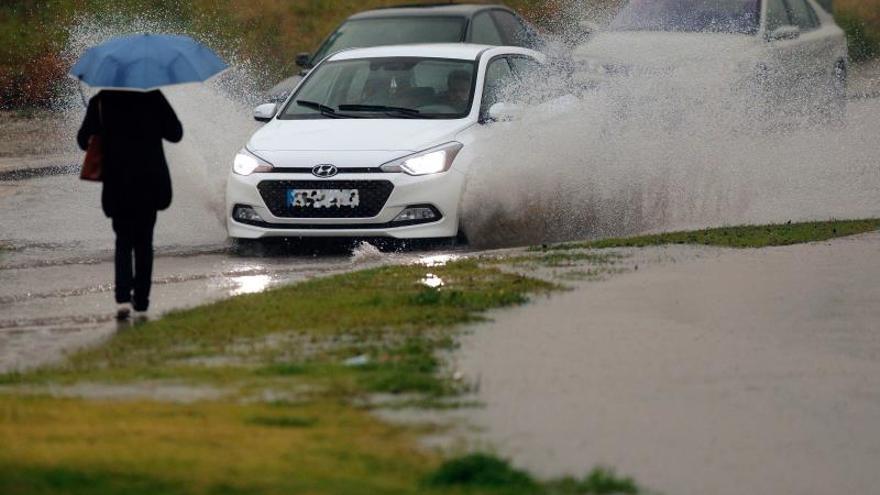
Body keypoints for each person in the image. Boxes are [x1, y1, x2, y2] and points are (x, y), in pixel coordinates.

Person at [77, 90, 183, 320]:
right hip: (150, 183)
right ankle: (142, 300)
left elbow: (82, 140)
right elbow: (175, 134)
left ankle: (123, 298)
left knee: (123, 240)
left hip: (118, 184)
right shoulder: (153, 97)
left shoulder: (101, 101)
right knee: (145, 241)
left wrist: (99, 127)